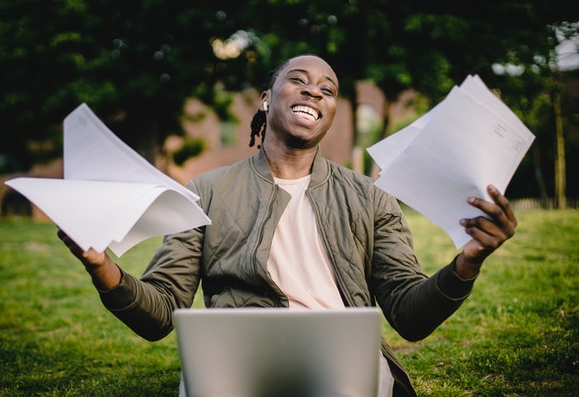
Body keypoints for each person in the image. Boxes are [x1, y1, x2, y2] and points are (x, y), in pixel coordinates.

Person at [58, 55, 517, 396]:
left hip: (346, 370)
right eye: (297, 81)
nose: (314, 91)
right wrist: (101, 266)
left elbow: (410, 315)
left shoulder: (370, 196)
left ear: (331, 111)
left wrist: (467, 263)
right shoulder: (206, 190)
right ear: (266, 99)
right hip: (236, 366)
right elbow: (159, 313)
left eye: (328, 89)